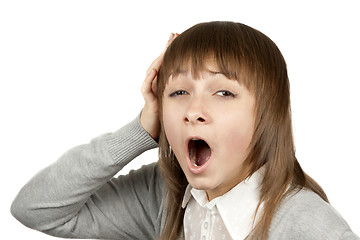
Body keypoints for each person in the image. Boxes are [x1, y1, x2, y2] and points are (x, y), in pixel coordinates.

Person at [11, 21, 359, 240]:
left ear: (267, 114)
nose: (193, 111)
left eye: (223, 92)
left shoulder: (309, 227)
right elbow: (37, 208)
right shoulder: (162, 197)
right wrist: (142, 130)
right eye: (178, 92)